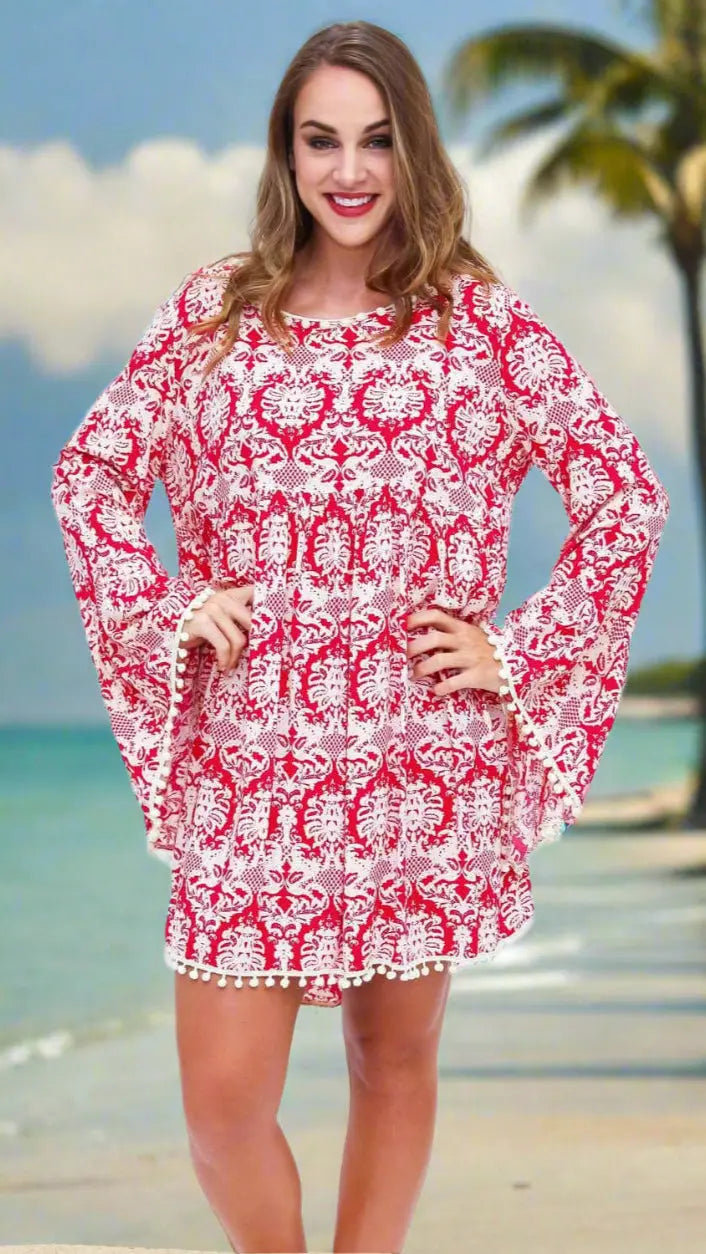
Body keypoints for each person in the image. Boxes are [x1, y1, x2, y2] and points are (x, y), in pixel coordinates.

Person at [50, 18, 670, 1254]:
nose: (349, 169)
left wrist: (522, 654)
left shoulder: (479, 325)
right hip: (252, 764)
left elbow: (623, 493)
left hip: (413, 762)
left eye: (377, 140)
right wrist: (172, 607)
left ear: (414, 151)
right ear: (285, 153)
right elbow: (90, 479)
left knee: (394, 1065)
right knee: (222, 1110)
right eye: (320, 138)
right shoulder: (214, 316)